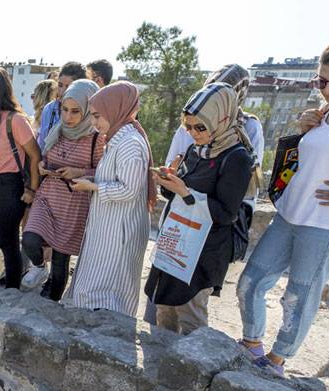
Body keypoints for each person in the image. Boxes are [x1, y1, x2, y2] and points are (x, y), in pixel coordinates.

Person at [237, 31, 329, 378]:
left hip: (328, 224)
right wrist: (306, 130)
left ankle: (278, 361)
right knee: (250, 281)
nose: (326, 88)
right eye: (320, 79)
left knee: (298, 296)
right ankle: (252, 344)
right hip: (289, 213)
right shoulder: (325, 111)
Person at [145, 83, 254, 335]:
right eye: (188, 127)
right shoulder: (198, 149)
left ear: (222, 118)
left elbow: (226, 214)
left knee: (190, 316)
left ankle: (191, 372)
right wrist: (169, 182)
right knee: (165, 309)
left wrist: (185, 191)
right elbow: (181, 194)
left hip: (204, 251)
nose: (193, 133)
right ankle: (163, 369)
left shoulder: (237, 157)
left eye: (200, 127)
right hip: (178, 243)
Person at [65, 81, 154, 317]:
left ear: (115, 110)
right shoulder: (117, 138)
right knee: (96, 287)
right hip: (109, 227)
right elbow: (114, 176)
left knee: (108, 293)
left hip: (119, 232)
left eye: (97, 116)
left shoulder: (130, 144)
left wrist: (92, 186)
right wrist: (86, 176)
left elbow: (128, 190)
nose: (93, 123)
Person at [23, 79, 104, 301]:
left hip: (73, 204)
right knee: (29, 239)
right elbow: (46, 157)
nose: (68, 117)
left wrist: (78, 172)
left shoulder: (97, 138)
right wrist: (42, 166)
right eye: (65, 110)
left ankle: (51, 309)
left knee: (60, 263)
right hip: (48, 196)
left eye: (75, 111)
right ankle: (39, 267)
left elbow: (102, 172)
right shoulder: (57, 130)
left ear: (88, 109)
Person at [0, 69, 42, 288]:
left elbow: (35, 155)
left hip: (8, 186)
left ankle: (11, 292)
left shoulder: (16, 120)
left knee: (8, 242)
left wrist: (32, 189)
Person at [165, 64, 265, 207]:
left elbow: (237, 199)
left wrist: (188, 193)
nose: (194, 133)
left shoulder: (249, 127)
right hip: (180, 214)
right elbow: (173, 164)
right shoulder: (189, 123)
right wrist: (169, 174)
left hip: (214, 223)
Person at [37, 62, 87, 150]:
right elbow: (42, 143)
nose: (62, 91)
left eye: (68, 86)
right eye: (60, 85)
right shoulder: (49, 109)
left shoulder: (89, 113)